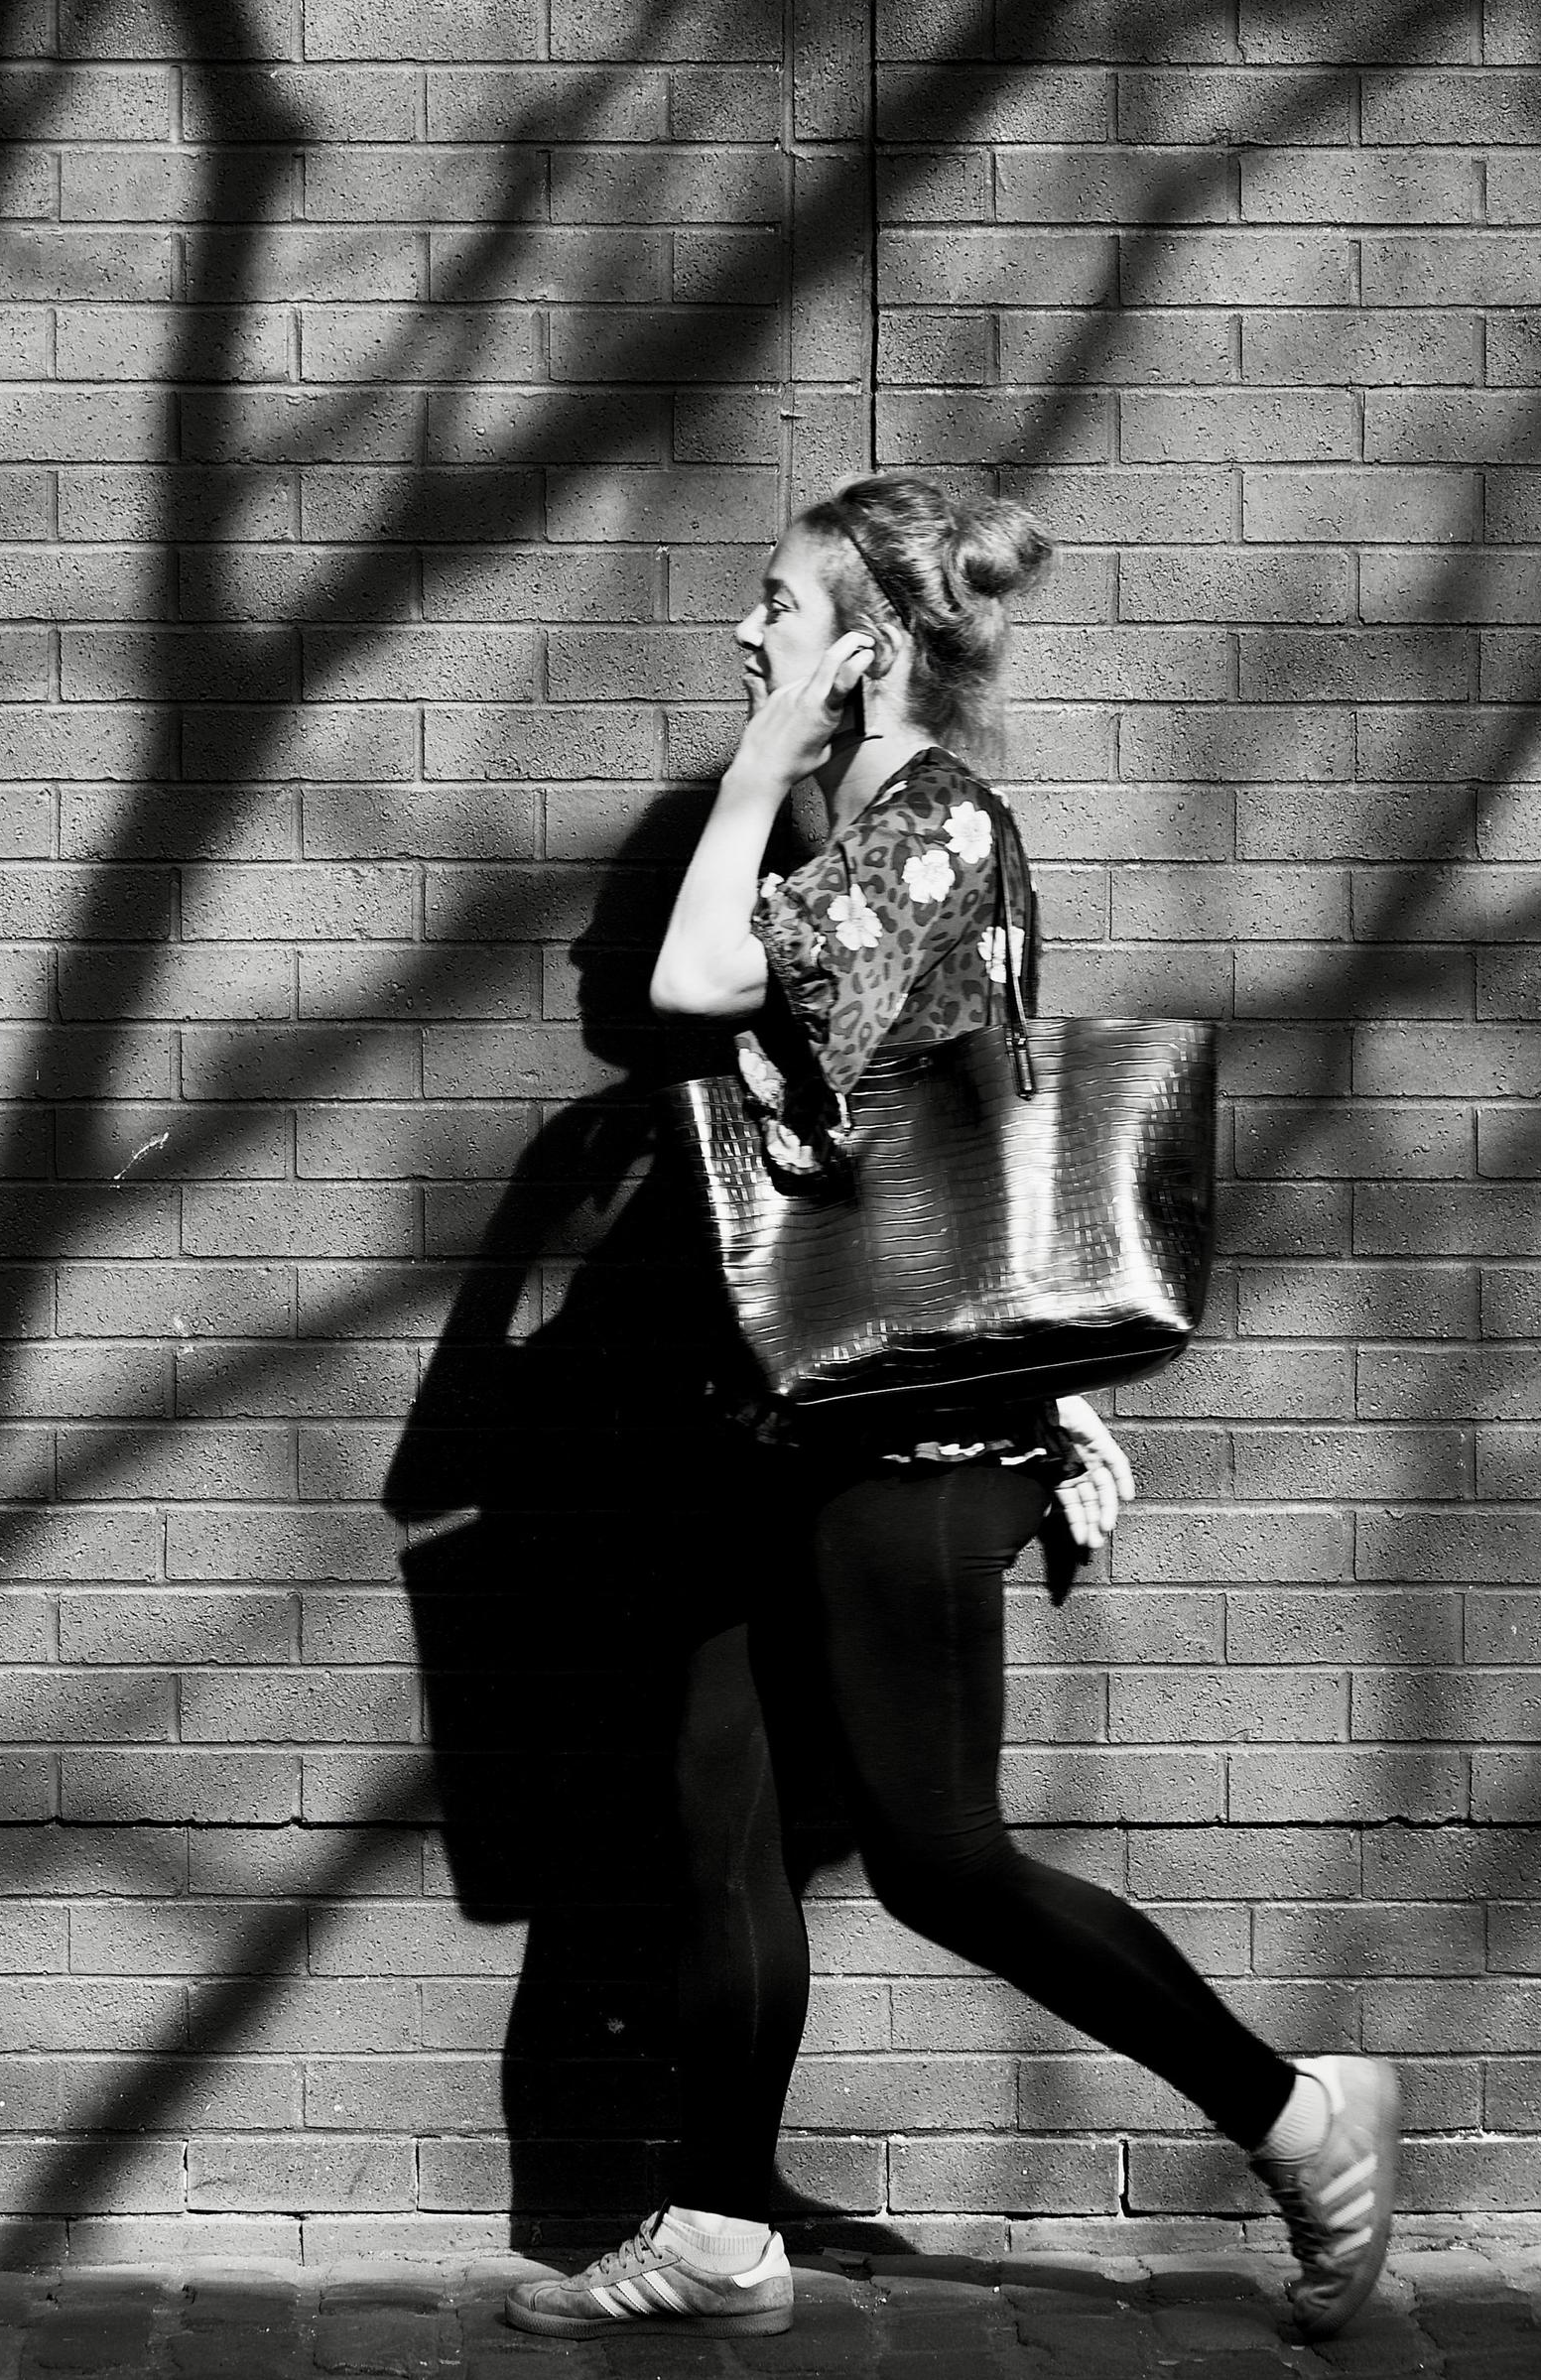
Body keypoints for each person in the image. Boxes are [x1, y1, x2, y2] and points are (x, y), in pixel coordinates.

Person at [500, 474, 1401, 2344]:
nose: (741, 629)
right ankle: (719, 2225)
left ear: (868, 644)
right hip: (790, 1418)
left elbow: (684, 978)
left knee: (935, 1856)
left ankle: (1297, 2110)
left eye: (776, 605)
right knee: (718, 1816)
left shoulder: (931, 827)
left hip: (913, 1440)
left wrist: (761, 750)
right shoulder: (847, 830)